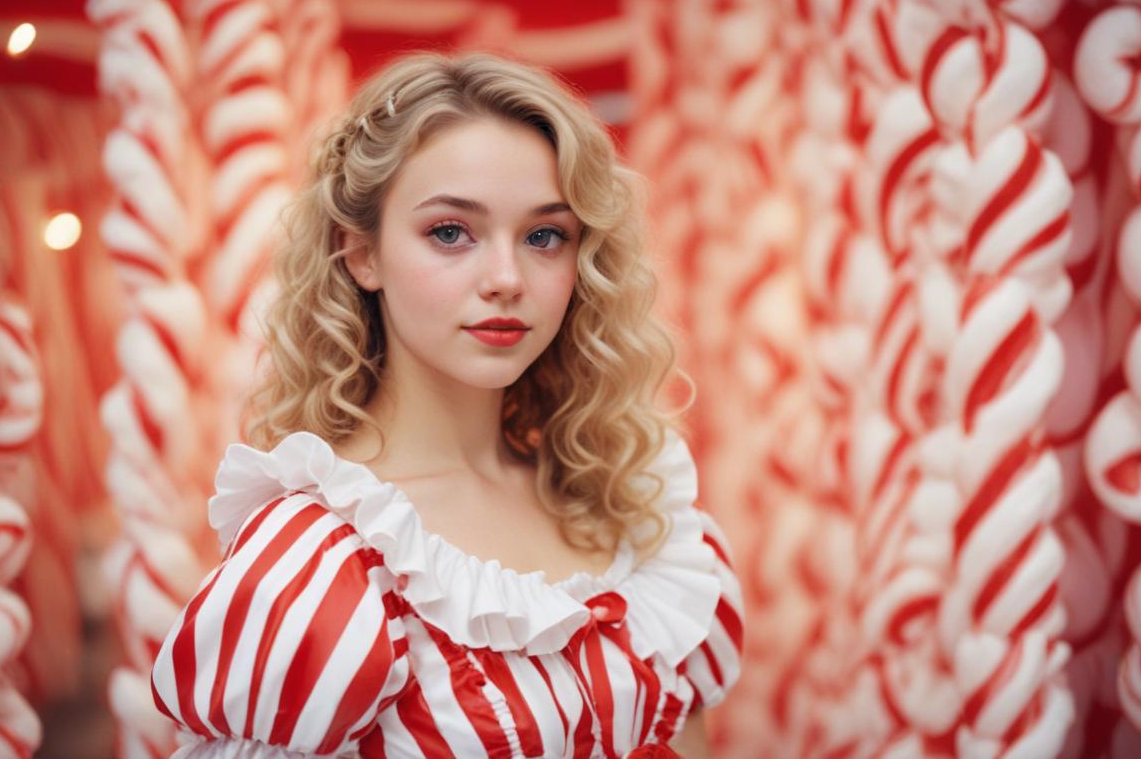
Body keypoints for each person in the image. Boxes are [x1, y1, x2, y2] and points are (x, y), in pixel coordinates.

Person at [150, 50, 744, 758]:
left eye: (544, 236)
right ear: (360, 254)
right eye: (450, 232)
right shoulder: (319, 561)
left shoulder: (633, 506)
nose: (505, 278)